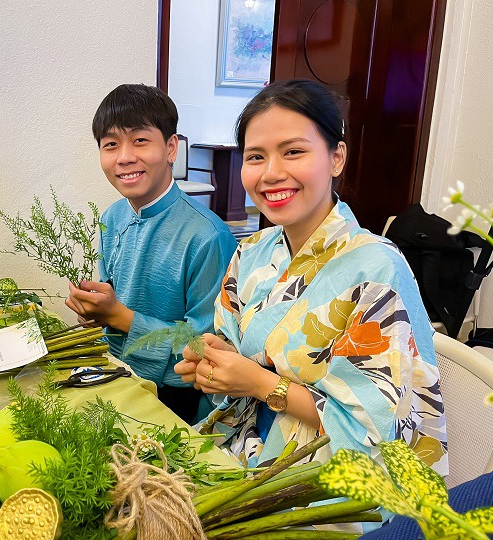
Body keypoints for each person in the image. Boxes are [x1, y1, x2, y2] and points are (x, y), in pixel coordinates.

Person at [174, 80, 448, 484]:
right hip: (243, 443)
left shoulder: (378, 268)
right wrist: (216, 362)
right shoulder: (249, 253)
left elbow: (376, 429)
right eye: (255, 157)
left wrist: (259, 381)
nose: (271, 174)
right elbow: (235, 354)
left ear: (336, 157)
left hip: (330, 477)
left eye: (293, 152)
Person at [66, 84, 238, 423]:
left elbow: (204, 349)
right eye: (111, 145)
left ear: (172, 147)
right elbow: (113, 300)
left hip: (179, 399)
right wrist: (93, 311)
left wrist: (117, 316)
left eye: (140, 140)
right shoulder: (112, 216)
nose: (125, 156)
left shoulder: (208, 235)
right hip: (114, 374)